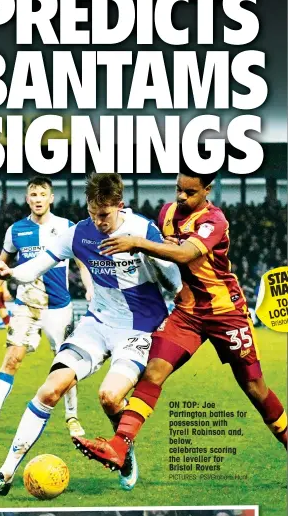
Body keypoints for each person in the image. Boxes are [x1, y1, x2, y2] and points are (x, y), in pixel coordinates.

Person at [0, 172, 181, 495]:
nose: (98, 222)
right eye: (93, 212)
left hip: (137, 328)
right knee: (50, 389)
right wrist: (10, 272)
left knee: (110, 398)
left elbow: (174, 279)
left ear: (119, 206)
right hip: (96, 324)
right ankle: (4, 475)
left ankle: (124, 451)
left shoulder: (142, 230)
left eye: (105, 215)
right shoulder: (78, 233)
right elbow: (37, 265)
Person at [74, 168, 287, 471]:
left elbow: (185, 254)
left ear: (207, 190)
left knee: (255, 388)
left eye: (190, 192)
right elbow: (165, 251)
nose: (181, 197)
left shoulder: (215, 220)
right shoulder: (168, 212)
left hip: (225, 313)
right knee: (153, 372)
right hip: (187, 313)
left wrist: (137, 241)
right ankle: (120, 446)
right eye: (178, 189)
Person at [0, 176, 92, 441]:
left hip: (58, 307)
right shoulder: (16, 230)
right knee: (12, 358)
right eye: (33, 195)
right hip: (25, 305)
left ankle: (72, 417)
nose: (38, 199)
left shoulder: (66, 227)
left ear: (51, 198)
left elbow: (82, 263)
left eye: (42, 194)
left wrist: (89, 287)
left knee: (65, 365)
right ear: (28, 199)